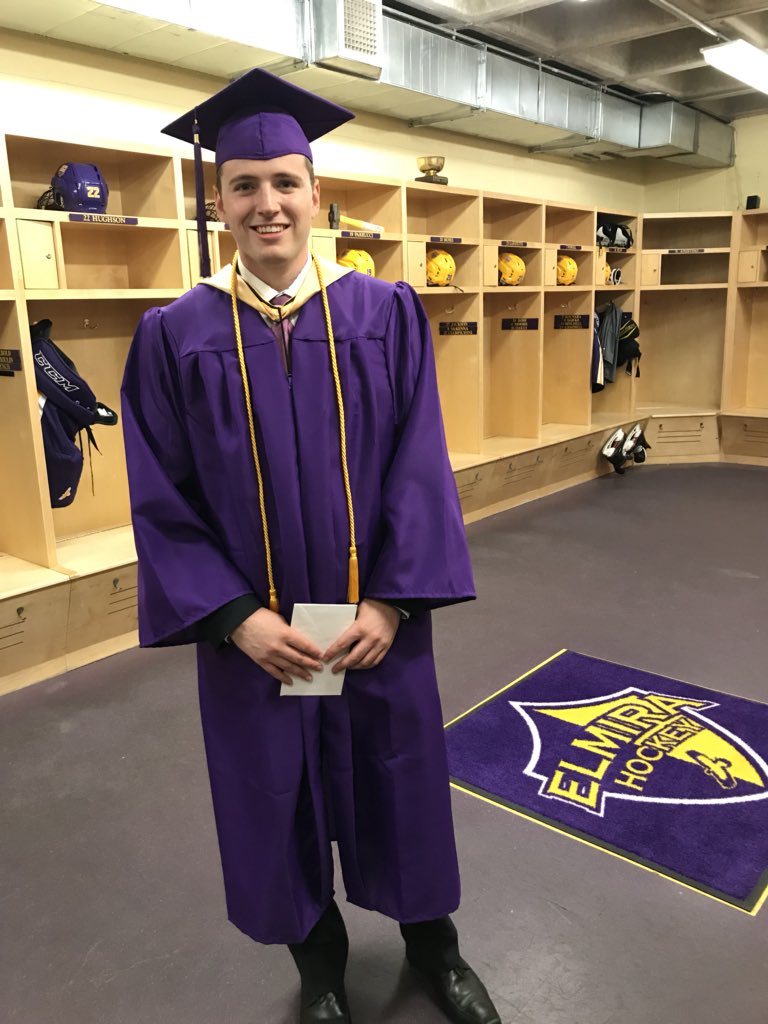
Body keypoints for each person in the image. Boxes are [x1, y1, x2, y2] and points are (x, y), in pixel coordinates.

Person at [121, 68, 502, 1024]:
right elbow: (161, 497)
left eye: (285, 182)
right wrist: (236, 621)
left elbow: (420, 463)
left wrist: (393, 600)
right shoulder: (175, 335)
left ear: (316, 195)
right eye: (245, 186)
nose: (267, 204)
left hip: (372, 621)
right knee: (273, 797)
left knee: (399, 779)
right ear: (221, 202)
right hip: (262, 637)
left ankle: (437, 950)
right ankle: (320, 972)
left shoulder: (382, 313)